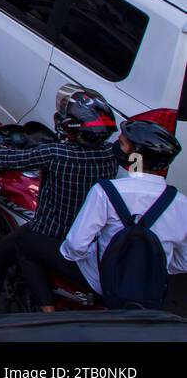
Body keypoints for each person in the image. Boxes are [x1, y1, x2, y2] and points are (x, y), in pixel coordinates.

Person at [0, 89, 118, 313]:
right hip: (90, 238)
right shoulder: (110, 155)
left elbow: (10, 159)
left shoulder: (56, 154)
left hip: (50, 232)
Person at [58, 120, 186, 311]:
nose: (117, 146)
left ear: (136, 156)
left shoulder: (105, 190)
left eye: (123, 143)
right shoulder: (182, 204)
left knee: (27, 244)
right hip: (151, 290)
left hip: (100, 281)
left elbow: (75, 248)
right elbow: (183, 262)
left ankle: (46, 312)